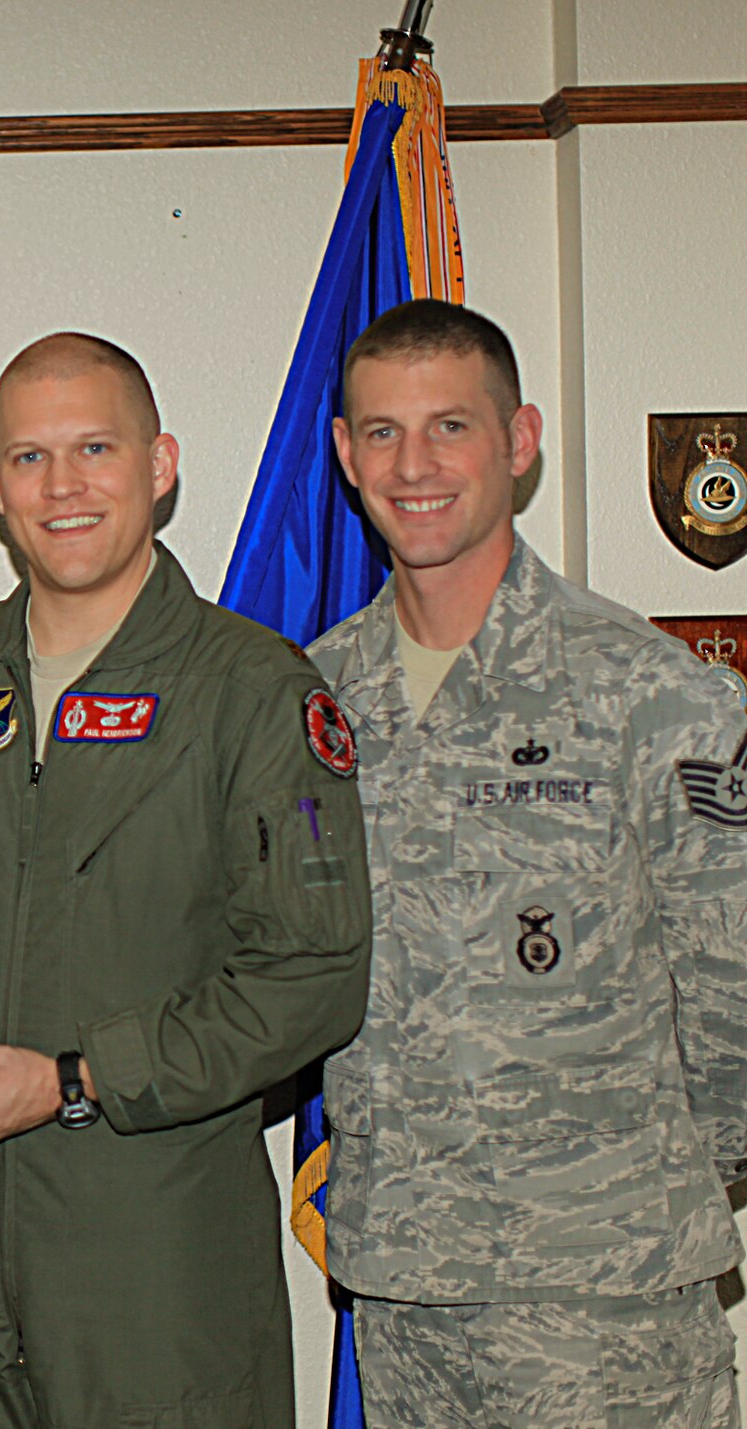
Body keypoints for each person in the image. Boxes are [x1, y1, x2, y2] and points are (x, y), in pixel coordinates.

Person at [0, 332, 373, 1426]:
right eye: (29, 457)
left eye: (94, 449)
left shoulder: (253, 691)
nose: (62, 485)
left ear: (159, 466)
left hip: (154, 1263)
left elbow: (312, 977)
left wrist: (80, 1076)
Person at [311, 298, 747, 1425]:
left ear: (518, 440)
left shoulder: (646, 690)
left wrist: (628, 1183)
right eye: (381, 431)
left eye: (449, 426)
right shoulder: (317, 697)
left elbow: (735, 985)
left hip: (603, 1296)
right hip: (403, 1284)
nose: (413, 465)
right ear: (345, 452)